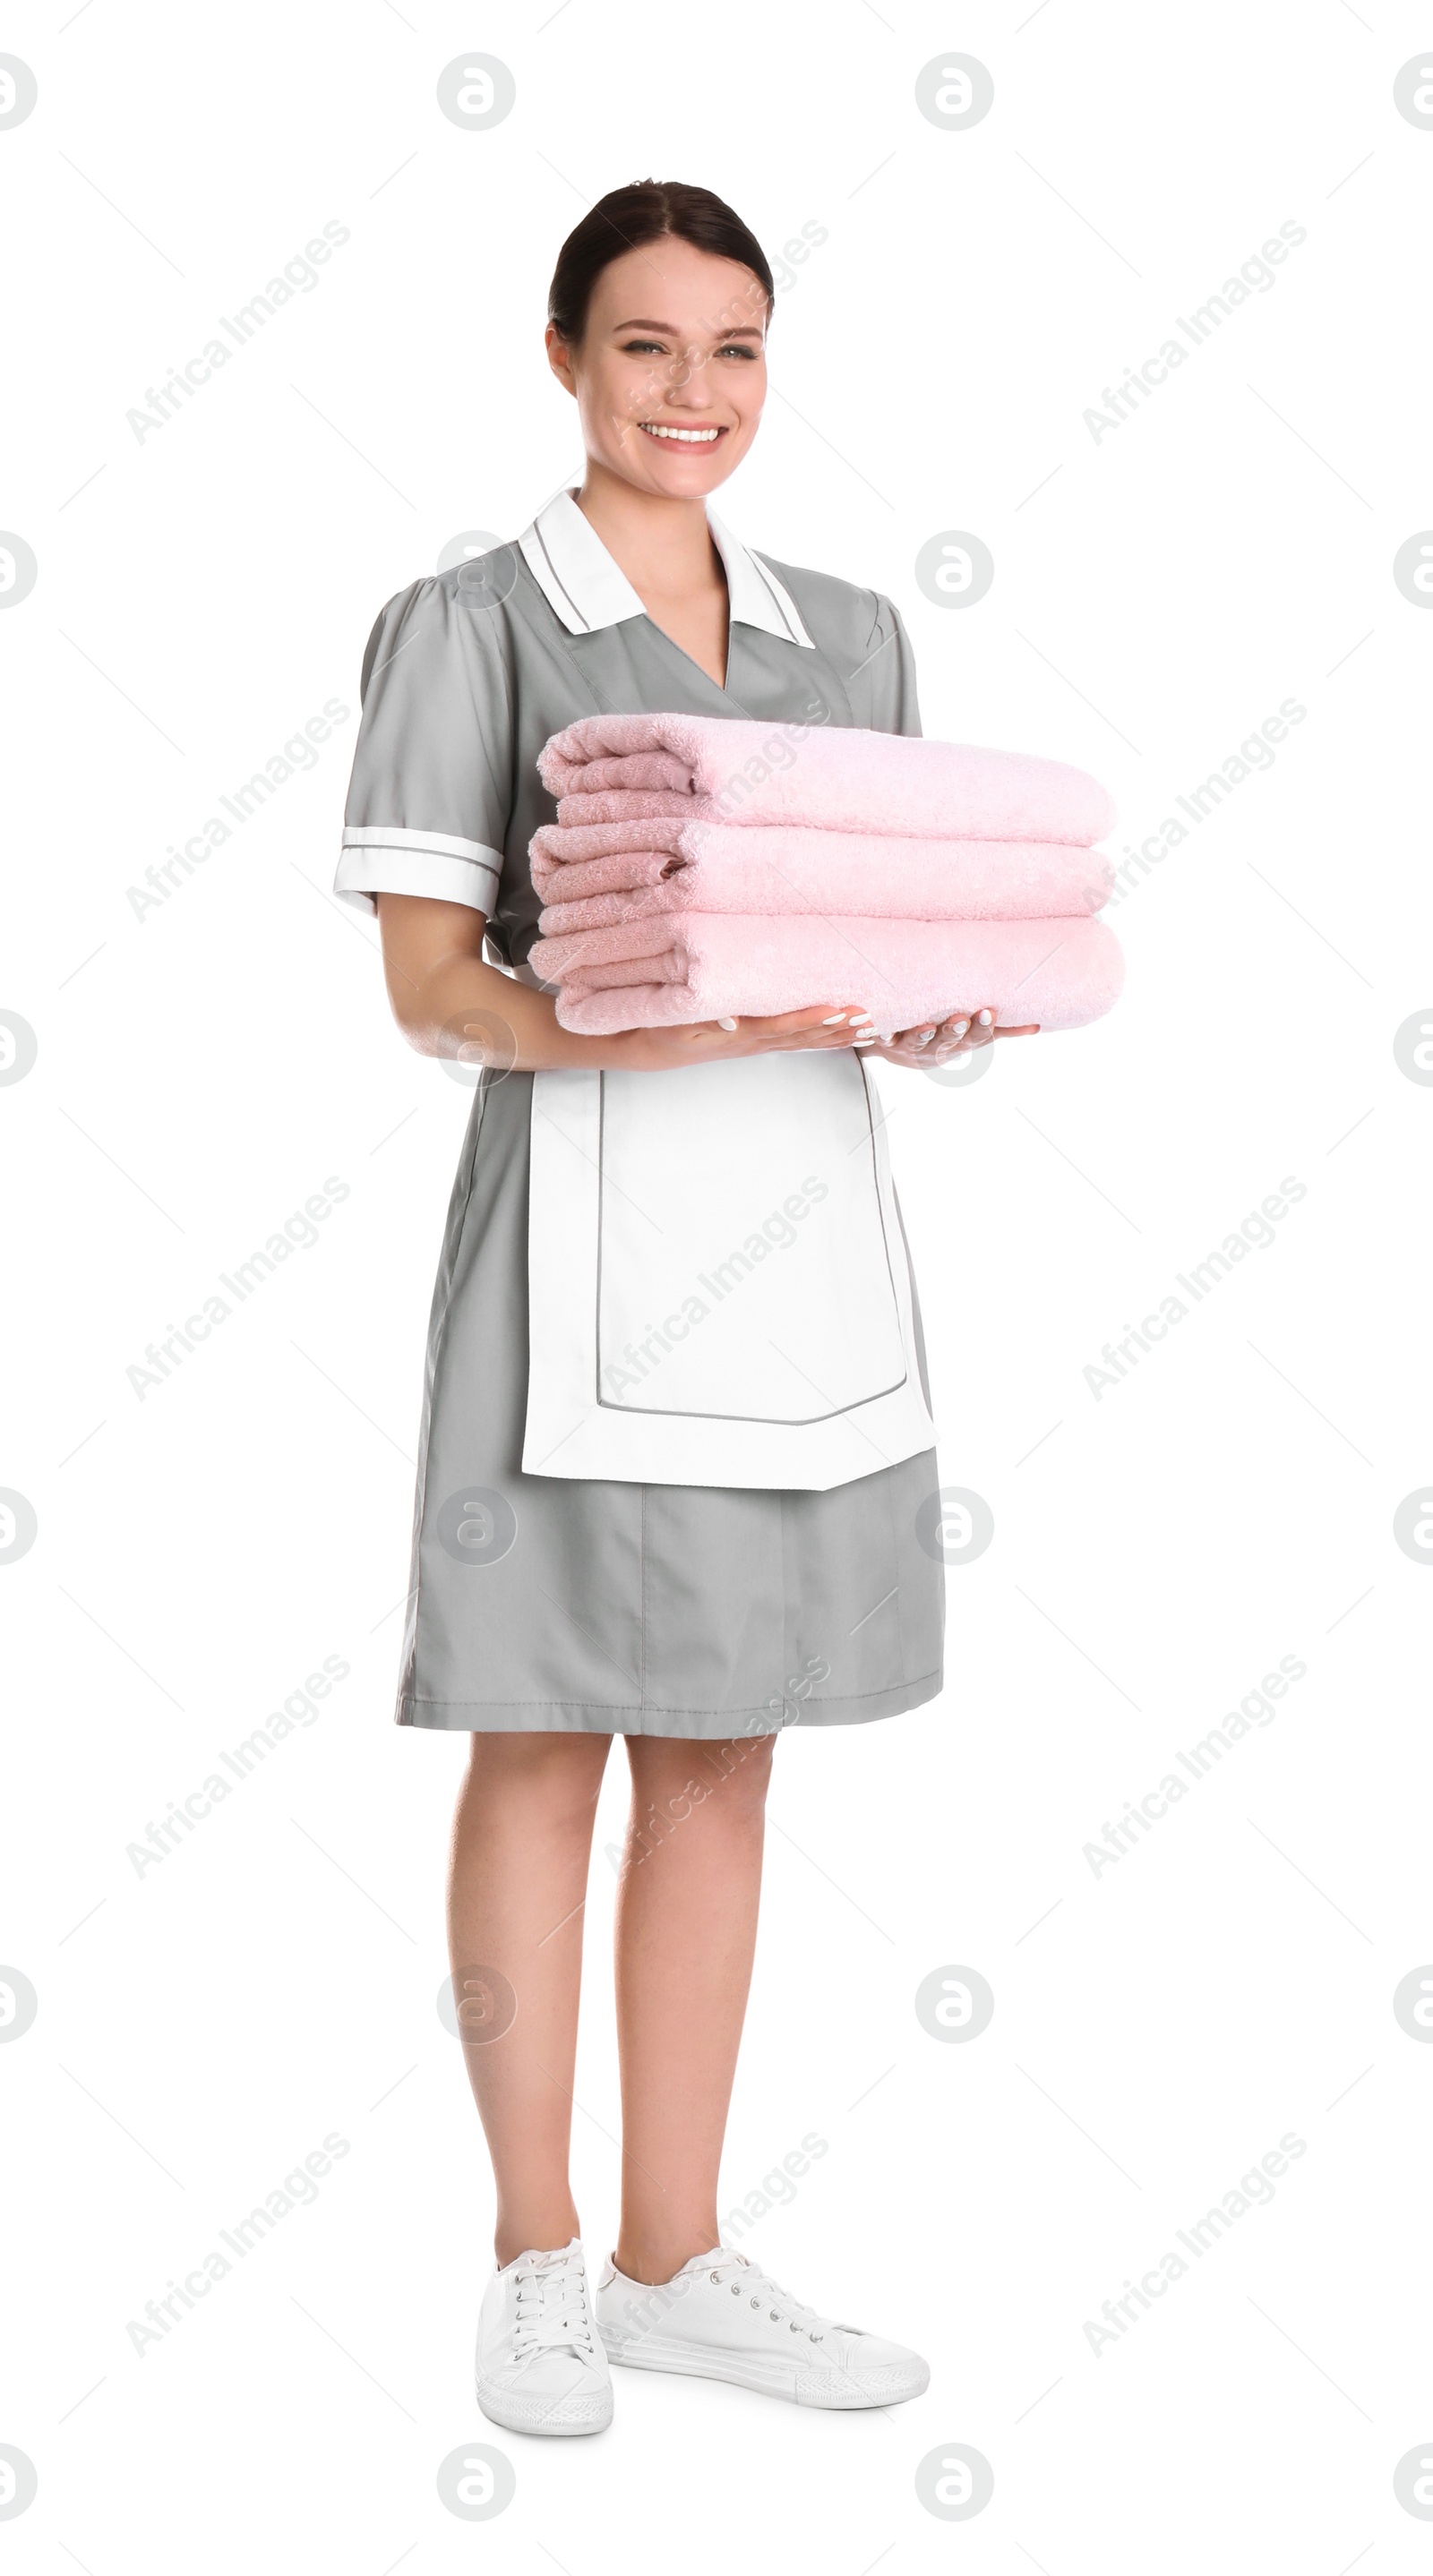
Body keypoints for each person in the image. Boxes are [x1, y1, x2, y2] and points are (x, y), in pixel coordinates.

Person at [335, 177, 1036, 2436]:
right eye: (644, 346)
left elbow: (897, 926)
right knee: (546, 1734)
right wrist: (628, 1022)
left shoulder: (851, 637)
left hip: (805, 1267)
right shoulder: (471, 623)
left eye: (731, 348)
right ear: (562, 358)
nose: (692, 394)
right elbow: (434, 985)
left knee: (726, 1750)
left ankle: (673, 2252)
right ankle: (534, 2256)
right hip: (576, 1250)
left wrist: (928, 1007)